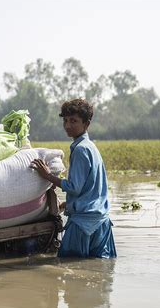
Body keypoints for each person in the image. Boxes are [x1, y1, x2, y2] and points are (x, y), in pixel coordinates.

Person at [30, 99, 117, 258]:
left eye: (74, 121)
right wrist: (67, 204)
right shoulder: (91, 147)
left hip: (82, 225)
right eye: (65, 120)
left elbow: (74, 187)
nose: (68, 125)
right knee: (100, 269)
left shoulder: (80, 149)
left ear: (86, 124)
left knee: (68, 266)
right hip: (101, 221)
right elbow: (88, 188)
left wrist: (48, 176)